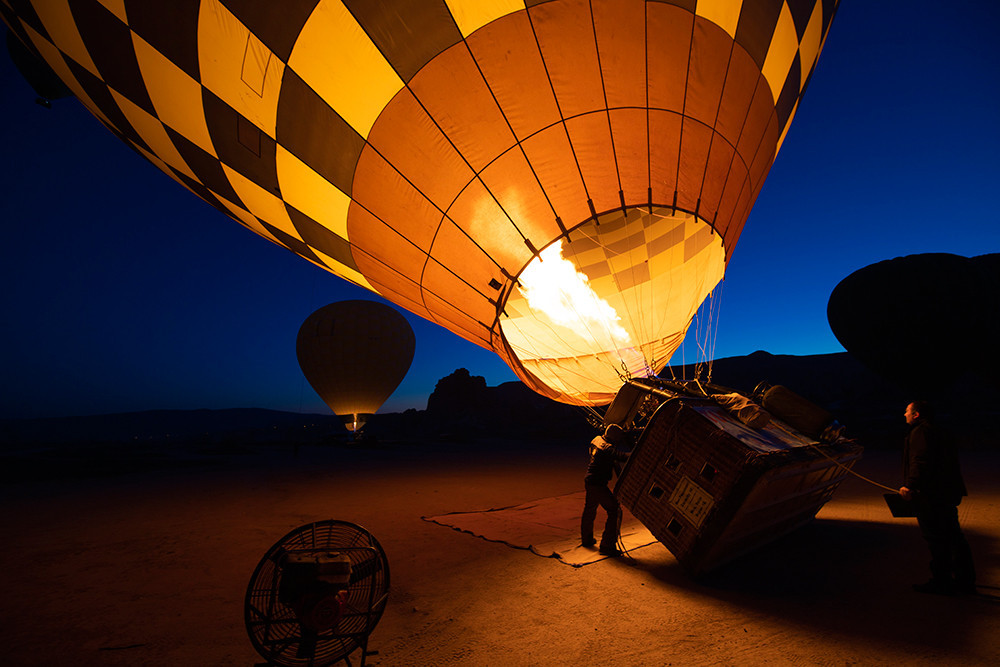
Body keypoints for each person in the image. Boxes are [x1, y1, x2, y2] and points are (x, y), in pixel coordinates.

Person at [899, 400, 976, 595]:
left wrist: (910, 485)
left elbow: (920, 461)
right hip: (947, 492)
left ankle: (942, 581)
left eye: (907, 412)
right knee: (953, 536)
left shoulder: (920, 433)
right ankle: (964, 580)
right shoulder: (939, 430)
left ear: (916, 415)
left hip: (931, 495)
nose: (904, 415)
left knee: (936, 538)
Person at [581, 423, 632, 555]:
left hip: (590, 480)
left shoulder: (597, 439)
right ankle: (607, 545)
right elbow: (621, 456)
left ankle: (586, 539)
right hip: (598, 484)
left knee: (590, 509)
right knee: (614, 509)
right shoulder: (607, 448)